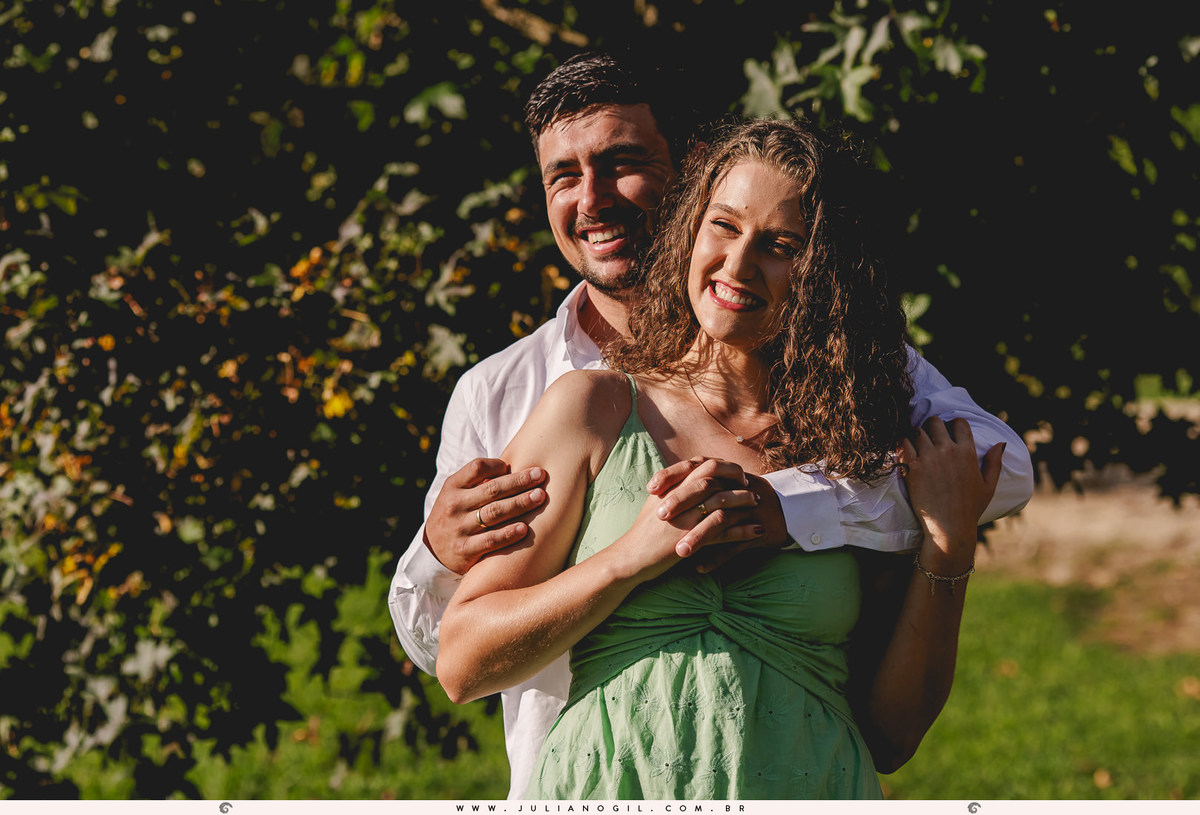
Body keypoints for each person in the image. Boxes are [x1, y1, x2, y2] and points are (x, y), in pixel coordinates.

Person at [388, 52, 1034, 798]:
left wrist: (884, 530)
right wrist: (443, 550)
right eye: (563, 175)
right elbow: (454, 650)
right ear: (700, 221)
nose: (591, 199)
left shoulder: (863, 420)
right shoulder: (537, 395)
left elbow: (892, 729)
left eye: (782, 245)